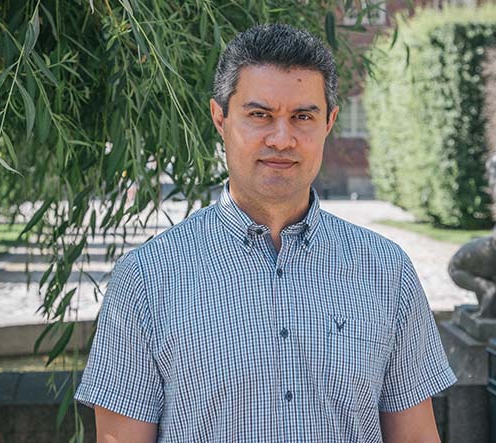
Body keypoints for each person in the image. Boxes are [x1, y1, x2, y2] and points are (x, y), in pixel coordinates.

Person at [74, 23, 456, 442]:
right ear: (220, 118)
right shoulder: (147, 280)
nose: (281, 138)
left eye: (302, 117)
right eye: (260, 115)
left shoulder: (386, 270)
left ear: (329, 122)